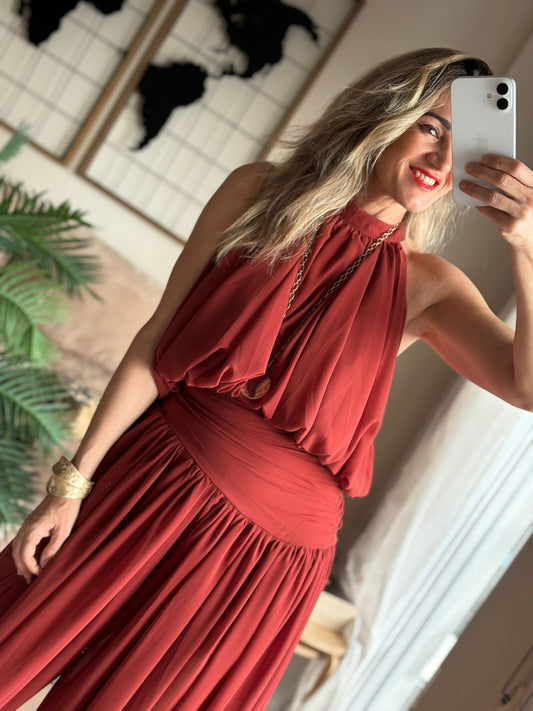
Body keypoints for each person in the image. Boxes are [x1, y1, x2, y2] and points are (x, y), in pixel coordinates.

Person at [0, 47, 532, 710]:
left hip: (264, 566)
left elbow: (525, 387)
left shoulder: (426, 287)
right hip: (151, 486)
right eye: (430, 126)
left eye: (462, 142)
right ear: (384, 113)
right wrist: (70, 485)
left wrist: (526, 247)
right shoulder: (256, 194)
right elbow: (155, 343)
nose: (441, 159)